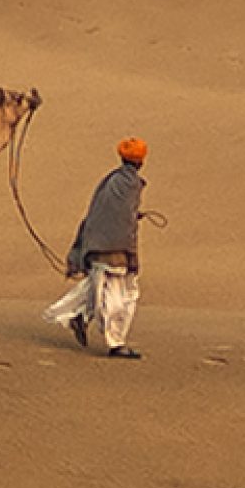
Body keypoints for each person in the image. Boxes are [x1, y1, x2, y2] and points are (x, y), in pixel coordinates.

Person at [45, 137, 148, 359]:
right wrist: (132, 255)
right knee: (118, 299)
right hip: (114, 251)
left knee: (97, 289)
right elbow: (124, 222)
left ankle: (79, 315)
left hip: (97, 246)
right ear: (141, 161)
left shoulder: (110, 181)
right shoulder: (129, 185)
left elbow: (102, 214)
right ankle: (116, 344)